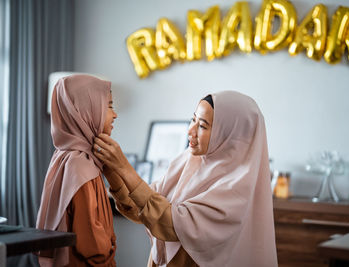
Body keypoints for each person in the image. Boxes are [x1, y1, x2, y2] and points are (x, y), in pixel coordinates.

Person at [94, 91, 278, 267]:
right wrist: (112, 171)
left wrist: (124, 168)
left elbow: (170, 224)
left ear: (231, 136)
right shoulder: (186, 163)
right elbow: (140, 208)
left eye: (203, 126)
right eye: (193, 120)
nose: (190, 130)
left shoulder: (238, 188)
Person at [36, 74, 118, 267]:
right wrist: (110, 247)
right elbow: (91, 244)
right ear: (86, 111)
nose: (115, 115)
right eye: (110, 106)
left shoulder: (64, 156)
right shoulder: (81, 165)